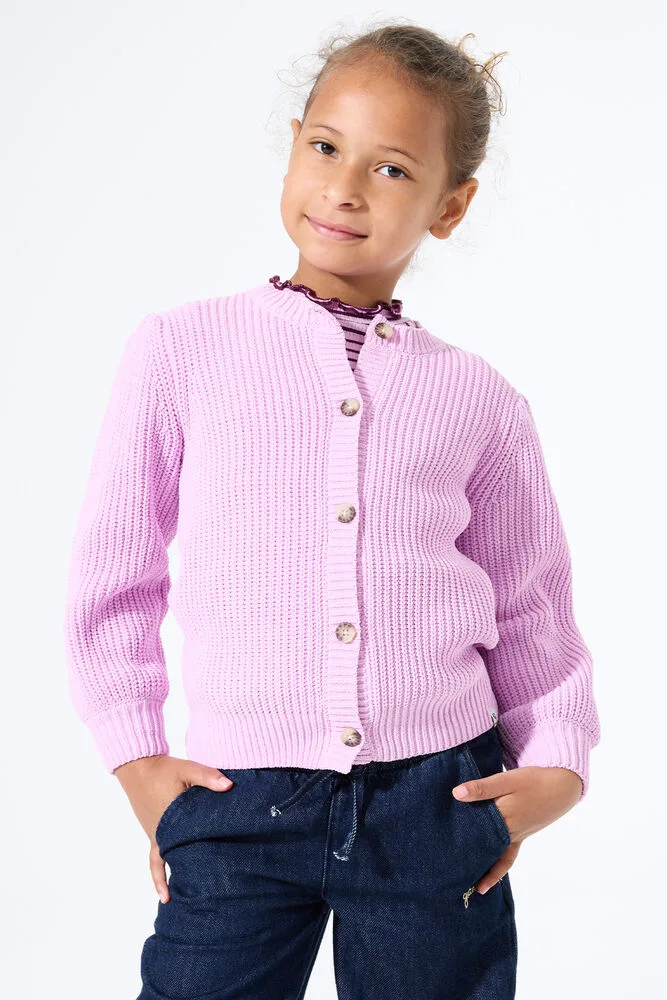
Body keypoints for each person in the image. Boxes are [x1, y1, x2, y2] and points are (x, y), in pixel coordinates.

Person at [63, 21, 601, 1000]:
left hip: (438, 796)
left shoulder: (479, 400)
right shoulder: (183, 351)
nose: (345, 187)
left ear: (450, 205)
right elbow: (116, 574)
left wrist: (556, 762)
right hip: (235, 796)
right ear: (293, 148)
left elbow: (530, 606)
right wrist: (135, 758)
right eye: (325, 147)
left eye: (391, 169)